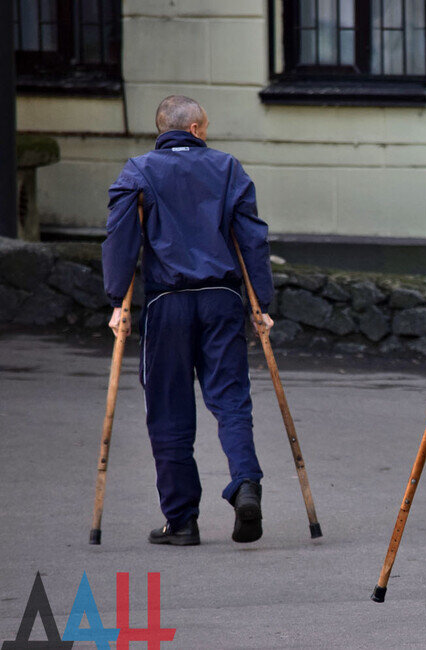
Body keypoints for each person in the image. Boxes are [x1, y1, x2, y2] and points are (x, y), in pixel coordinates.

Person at [102, 95, 275, 546]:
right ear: (196, 128)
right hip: (221, 297)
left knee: (169, 409)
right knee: (231, 398)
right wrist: (262, 303)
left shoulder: (138, 171)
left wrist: (117, 300)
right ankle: (245, 484)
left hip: (168, 303)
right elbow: (250, 238)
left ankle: (181, 521)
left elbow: (121, 239)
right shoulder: (228, 168)